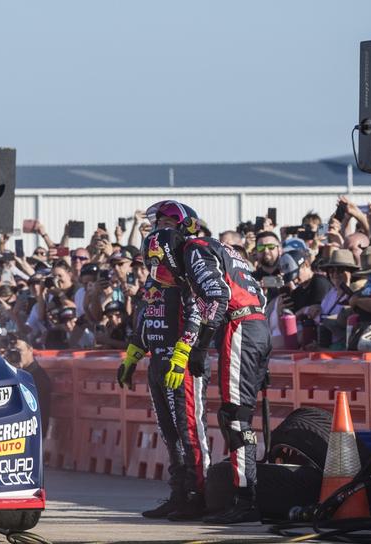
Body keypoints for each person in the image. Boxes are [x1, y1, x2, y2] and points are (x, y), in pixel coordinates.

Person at [153, 201, 271, 524]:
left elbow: (216, 296)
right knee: (239, 415)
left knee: (235, 417)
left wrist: (200, 347)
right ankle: (243, 494)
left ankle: (245, 498)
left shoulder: (194, 249)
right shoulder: (224, 248)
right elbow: (261, 294)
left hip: (239, 325)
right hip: (257, 324)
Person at [118, 200, 209, 521]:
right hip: (157, 362)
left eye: (168, 220)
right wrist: (132, 356)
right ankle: (178, 493)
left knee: (189, 432)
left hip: (180, 366)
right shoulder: (154, 281)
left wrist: (183, 353)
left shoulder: (190, 274)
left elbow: (199, 316)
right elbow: (146, 318)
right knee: (169, 434)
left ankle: (198, 495)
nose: (161, 225)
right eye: (158, 220)